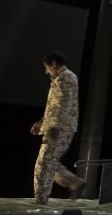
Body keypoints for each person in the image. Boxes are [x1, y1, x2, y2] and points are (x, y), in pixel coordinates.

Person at [31, 51, 86, 204]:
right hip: (60, 126)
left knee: (43, 164)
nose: (46, 71)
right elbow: (55, 106)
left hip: (60, 127)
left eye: (47, 67)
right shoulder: (64, 78)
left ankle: (41, 200)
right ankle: (74, 182)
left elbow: (64, 104)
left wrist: (53, 126)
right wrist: (42, 122)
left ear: (54, 64)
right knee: (50, 161)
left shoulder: (65, 77)